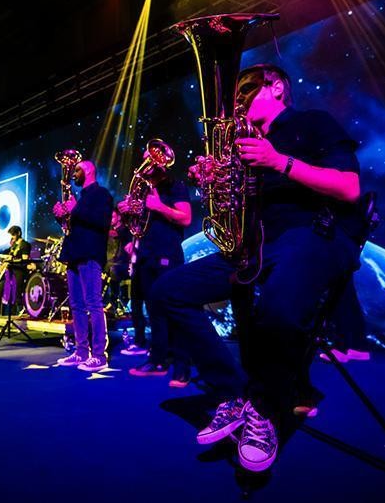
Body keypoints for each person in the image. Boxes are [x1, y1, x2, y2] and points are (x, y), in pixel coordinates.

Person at [150, 63, 362, 472]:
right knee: (167, 292)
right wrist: (214, 183)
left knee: (277, 310)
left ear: (277, 87)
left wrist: (279, 161)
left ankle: (264, 410)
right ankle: (234, 395)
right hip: (253, 246)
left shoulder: (311, 122)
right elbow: (236, 210)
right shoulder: (241, 147)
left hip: (308, 236)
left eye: (247, 91)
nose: (238, 102)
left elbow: (349, 188)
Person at [118, 149, 193, 387]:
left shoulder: (175, 187)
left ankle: (182, 365)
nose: (146, 164)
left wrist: (159, 206)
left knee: (174, 311)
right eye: (145, 160)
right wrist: (128, 213)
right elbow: (138, 226)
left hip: (167, 254)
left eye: (151, 160)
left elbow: (186, 218)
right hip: (145, 256)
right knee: (155, 311)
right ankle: (158, 359)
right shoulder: (143, 191)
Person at [52, 159, 114, 373]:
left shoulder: (102, 194)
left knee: (93, 303)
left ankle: (99, 355)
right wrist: (62, 216)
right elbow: (74, 226)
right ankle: (81, 352)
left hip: (90, 254)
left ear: (88, 171)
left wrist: (74, 210)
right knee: (76, 305)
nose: (73, 174)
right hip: (74, 254)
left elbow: (102, 222)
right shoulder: (81, 198)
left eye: (77, 170)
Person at [0, 225, 32, 315]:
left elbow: (25, 260)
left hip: (19, 272)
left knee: (17, 296)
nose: (12, 237)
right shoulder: (13, 246)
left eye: (13, 234)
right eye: (11, 235)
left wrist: (11, 260)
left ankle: (21, 315)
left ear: (19, 233)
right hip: (9, 272)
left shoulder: (25, 245)